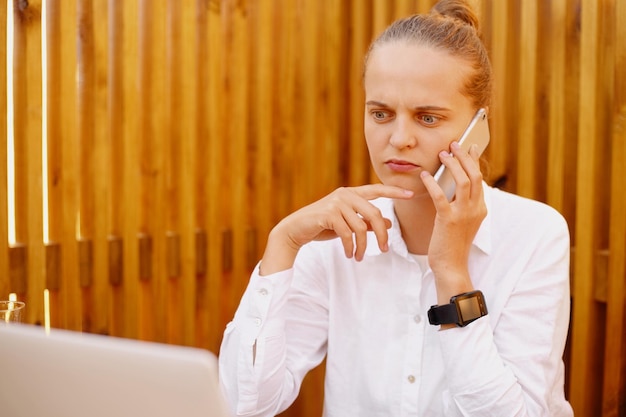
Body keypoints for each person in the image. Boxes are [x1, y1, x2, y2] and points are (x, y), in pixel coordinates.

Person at [218, 0, 574, 416]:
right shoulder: (336, 238)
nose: (399, 138)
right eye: (381, 113)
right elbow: (244, 404)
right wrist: (282, 244)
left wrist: (452, 274)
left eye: (427, 118)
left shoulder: (535, 234)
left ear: (480, 125)